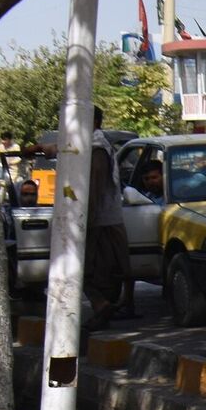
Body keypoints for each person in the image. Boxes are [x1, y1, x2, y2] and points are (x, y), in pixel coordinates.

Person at [83, 106, 129, 328]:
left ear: (94, 121)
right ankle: (105, 308)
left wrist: (87, 219)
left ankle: (102, 306)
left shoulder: (98, 147)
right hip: (103, 219)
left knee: (91, 271)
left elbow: (96, 185)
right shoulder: (90, 143)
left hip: (101, 220)